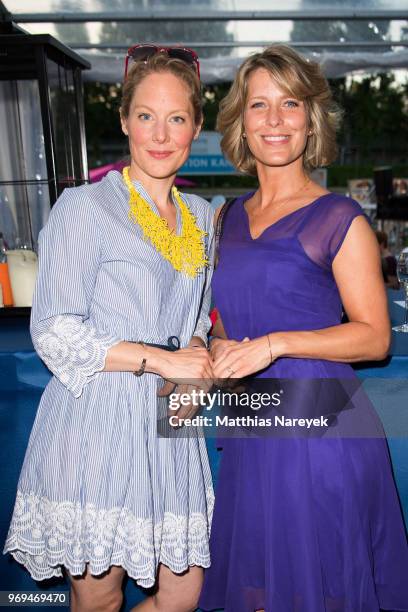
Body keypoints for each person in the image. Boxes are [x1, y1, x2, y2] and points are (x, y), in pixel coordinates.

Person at [4, 48, 215, 612]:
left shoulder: (200, 217)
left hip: (170, 430)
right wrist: (162, 360)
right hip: (95, 423)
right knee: (99, 597)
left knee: (183, 593)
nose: (161, 134)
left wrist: (194, 357)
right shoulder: (86, 208)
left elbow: (196, 314)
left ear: (197, 124)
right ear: (124, 120)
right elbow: (53, 329)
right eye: (146, 116)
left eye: (176, 118)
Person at [199, 44, 408, 612]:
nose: (274, 120)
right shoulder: (228, 218)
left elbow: (374, 336)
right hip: (253, 432)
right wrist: (216, 343)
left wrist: (276, 345)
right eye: (259, 104)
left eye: (289, 104)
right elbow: (233, 314)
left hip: (321, 436)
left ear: (310, 119)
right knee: (261, 594)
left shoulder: (341, 218)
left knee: (318, 594)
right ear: (241, 119)